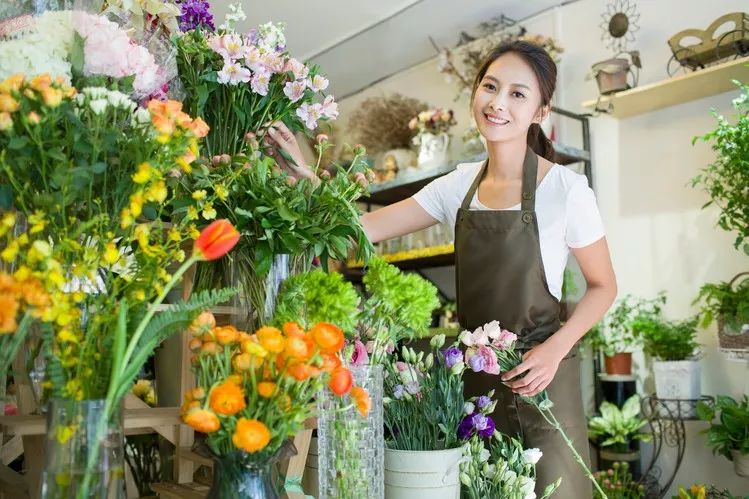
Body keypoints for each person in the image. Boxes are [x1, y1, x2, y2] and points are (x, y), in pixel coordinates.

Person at [266, 40, 617, 497]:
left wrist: (555, 349)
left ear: (539, 112)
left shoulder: (567, 190)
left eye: (517, 94)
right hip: (475, 384)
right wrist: (307, 179)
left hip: (543, 378)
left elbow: (603, 286)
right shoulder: (458, 186)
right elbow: (360, 229)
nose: (497, 102)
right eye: (490, 87)